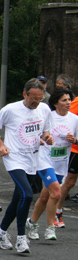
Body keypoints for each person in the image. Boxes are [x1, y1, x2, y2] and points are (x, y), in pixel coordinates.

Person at [0, 78, 53, 253]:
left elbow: (46, 129)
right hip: (14, 158)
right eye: (33, 98)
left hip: (32, 159)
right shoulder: (11, 109)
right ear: (25, 94)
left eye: (40, 98)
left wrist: (47, 136)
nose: (36, 102)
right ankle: (21, 239)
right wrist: (0, 144)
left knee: (19, 198)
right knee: (27, 194)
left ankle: (1, 231)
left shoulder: (44, 109)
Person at [26, 88, 78, 241]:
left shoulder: (74, 119)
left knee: (45, 196)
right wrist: (44, 138)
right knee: (56, 192)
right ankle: (50, 227)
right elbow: (37, 134)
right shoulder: (48, 116)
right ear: (56, 103)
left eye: (69, 100)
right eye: (64, 100)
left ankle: (32, 222)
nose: (68, 103)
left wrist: (74, 140)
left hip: (61, 161)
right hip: (44, 159)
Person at [55, 92, 78, 227]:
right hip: (76, 149)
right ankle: (57, 211)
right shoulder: (76, 102)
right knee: (69, 182)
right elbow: (68, 117)